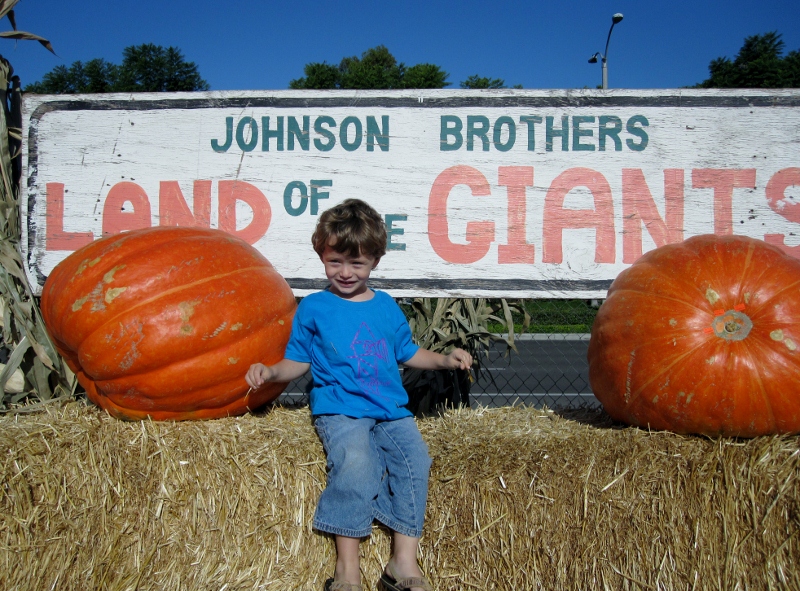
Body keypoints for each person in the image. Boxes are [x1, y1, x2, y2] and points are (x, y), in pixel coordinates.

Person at [246, 199, 473, 591]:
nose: (346, 273)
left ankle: (403, 562)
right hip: (341, 411)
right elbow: (297, 361)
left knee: (416, 460)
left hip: (390, 410)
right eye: (335, 262)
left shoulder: (386, 307)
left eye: (357, 264)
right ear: (321, 255)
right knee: (356, 464)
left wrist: (443, 359)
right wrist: (270, 372)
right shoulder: (314, 307)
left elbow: (407, 352)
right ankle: (346, 569)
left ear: (375, 262)